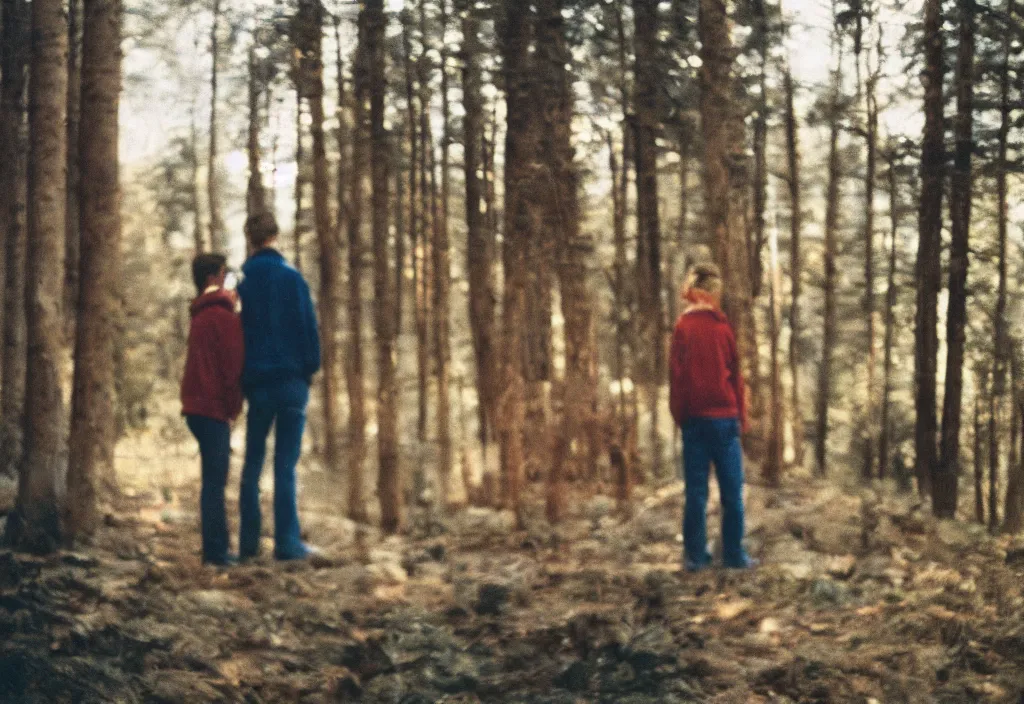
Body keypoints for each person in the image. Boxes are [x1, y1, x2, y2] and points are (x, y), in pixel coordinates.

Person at [237, 213, 320, 561]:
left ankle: (248, 545)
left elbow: (233, 332)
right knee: (285, 464)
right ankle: (287, 543)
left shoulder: (241, 281)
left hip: (257, 383)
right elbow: (308, 330)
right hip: (290, 383)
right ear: (275, 235)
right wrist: (307, 371)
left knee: (253, 461)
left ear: (251, 239)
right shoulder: (293, 279)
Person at [669, 263, 754, 571]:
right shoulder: (721, 327)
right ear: (712, 293)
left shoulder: (684, 328)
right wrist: (740, 417)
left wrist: (681, 417)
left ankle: (696, 558)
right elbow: (736, 379)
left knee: (697, 493)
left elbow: (676, 379)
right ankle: (732, 555)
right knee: (732, 491)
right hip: (724, 419)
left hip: (696, 421)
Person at [181, 253, 245, 567]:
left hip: (196, 406)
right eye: (223, 273)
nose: (225, 279)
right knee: (215, 482)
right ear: (212, 277)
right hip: (210, 407)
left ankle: (215, 550)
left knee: (212, 480)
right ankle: (216, 553)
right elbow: (233, 367)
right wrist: (234, 407)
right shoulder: (220, 315)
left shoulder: (200, 313)